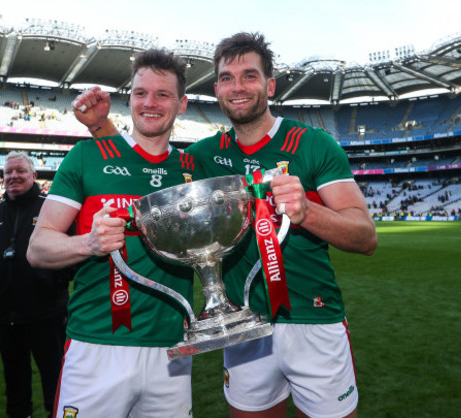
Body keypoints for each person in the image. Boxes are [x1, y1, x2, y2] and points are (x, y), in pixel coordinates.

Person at [74, 32, 377, 418]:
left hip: (313, 319)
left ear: (269, 84)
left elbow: (365, 237)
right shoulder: (202, 156)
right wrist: (101, 128)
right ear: (216, 89)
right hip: (240, 325)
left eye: (249, 76)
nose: (238, 87)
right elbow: (145, 163)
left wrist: (308, 212)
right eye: (227, 78)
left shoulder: (314, 144)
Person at [26, 49, 199, 418]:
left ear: (181, 104)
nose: (149, 103)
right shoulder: (86, 156)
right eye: (140, 93)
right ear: (130, 98)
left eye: (162, 95)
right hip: (95, 345)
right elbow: (38, 248)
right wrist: (89, 243)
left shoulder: (193, 169)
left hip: (171, 349)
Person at [0, 151, 71, 418]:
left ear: (34, 175)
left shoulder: (51, 208)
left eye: (20, 171)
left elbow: (71, 250)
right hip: (3, 315)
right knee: (14, 380)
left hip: (45, 313)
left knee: (55, 376)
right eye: (8, 172)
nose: (13, 177)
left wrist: (54, 284)